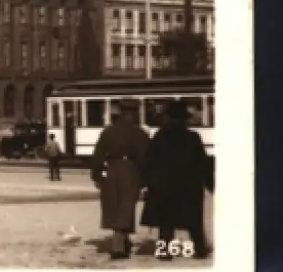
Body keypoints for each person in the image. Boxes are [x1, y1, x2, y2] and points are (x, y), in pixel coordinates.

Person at [140, 100, 213, 260]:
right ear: (184, 119)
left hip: (165, 186)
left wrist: (148, 183)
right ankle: (200, 249)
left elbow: (149, 162)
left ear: (168, 117)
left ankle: (164, 251)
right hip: (189, 186)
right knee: (194, 221)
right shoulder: (193, 137)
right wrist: (211, 184)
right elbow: (202, 163)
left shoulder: (159, 136)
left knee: (165, 222)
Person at [90, 98, 150, 260]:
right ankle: (118, 247)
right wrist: (145, 179)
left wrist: (97, 175)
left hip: (111, 169)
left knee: (114, 205)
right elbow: (144, 157)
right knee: (126, 206)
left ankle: (123, 241)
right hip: (130, 170)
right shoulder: (139, 133)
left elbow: (97, 155)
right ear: (134, 113)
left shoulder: (108, 131)